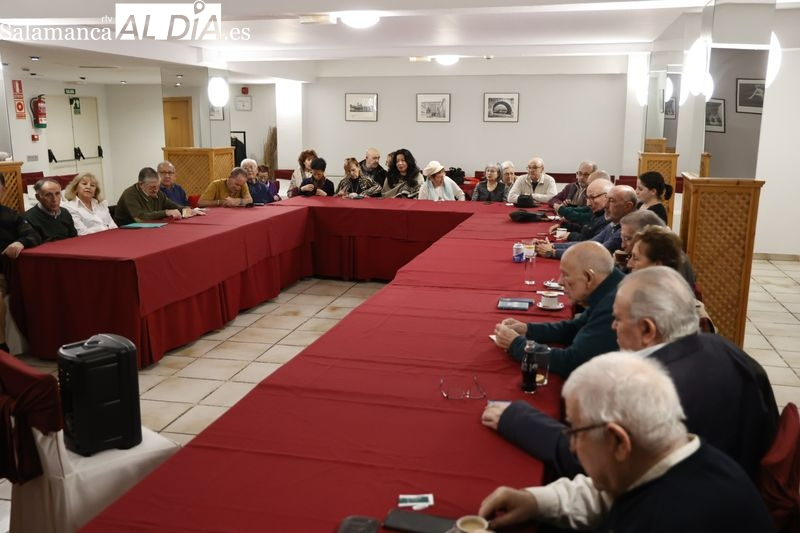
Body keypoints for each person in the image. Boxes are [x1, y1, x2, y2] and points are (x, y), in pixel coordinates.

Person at [483, 267, 778, 482]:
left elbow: (596, 463)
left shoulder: (655, 387)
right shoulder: (725, 347)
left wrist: (517, 419)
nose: (612, 328)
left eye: (619, 320)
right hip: (735, 478)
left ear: (648, 330)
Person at [479, 352, 775, 532]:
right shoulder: (675, 456)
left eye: (576, 433)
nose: (571, 446)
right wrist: (535, 501)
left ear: (619, 442)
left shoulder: (672, 520)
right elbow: (611, 495)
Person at [493, 241, 622, 376]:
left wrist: (517, 345)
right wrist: (528, 329)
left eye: (566, 275)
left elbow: (572, 362)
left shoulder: (615, 305)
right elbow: (574, 328)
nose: (560, 281)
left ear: (589, 277)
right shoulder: (609, 285)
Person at [538, 184, 636, 259]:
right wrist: (552, 245)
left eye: (611, 201)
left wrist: (553, 252)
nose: (606, 205)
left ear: (628, 206)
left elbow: (596, 253)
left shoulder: (626, 230)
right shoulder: (614, 223)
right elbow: (589, 244)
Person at [0, 174, 41, 353]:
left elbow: (33, 235)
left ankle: (2, 348)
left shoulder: (11, 215)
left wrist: (20, 242)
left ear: (4, 189)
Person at [115, 167, 184, 225]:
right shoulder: (130, 194)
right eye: (152, 187)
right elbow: (141, 218)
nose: (156, 190)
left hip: (150, 227)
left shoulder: (158, 193)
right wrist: (166, 212)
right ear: (141, 184)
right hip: (127, 231)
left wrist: (188, 209)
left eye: (158, 186)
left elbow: (173, 206)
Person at [553, 178, 612, 243]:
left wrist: (553, 250)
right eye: (587, 198)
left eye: (593, 197)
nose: (588, 203)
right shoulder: (598, 212)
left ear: (608, 196)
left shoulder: (608, 218)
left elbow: (591, 244)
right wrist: (564, 227)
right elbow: (586, 231)